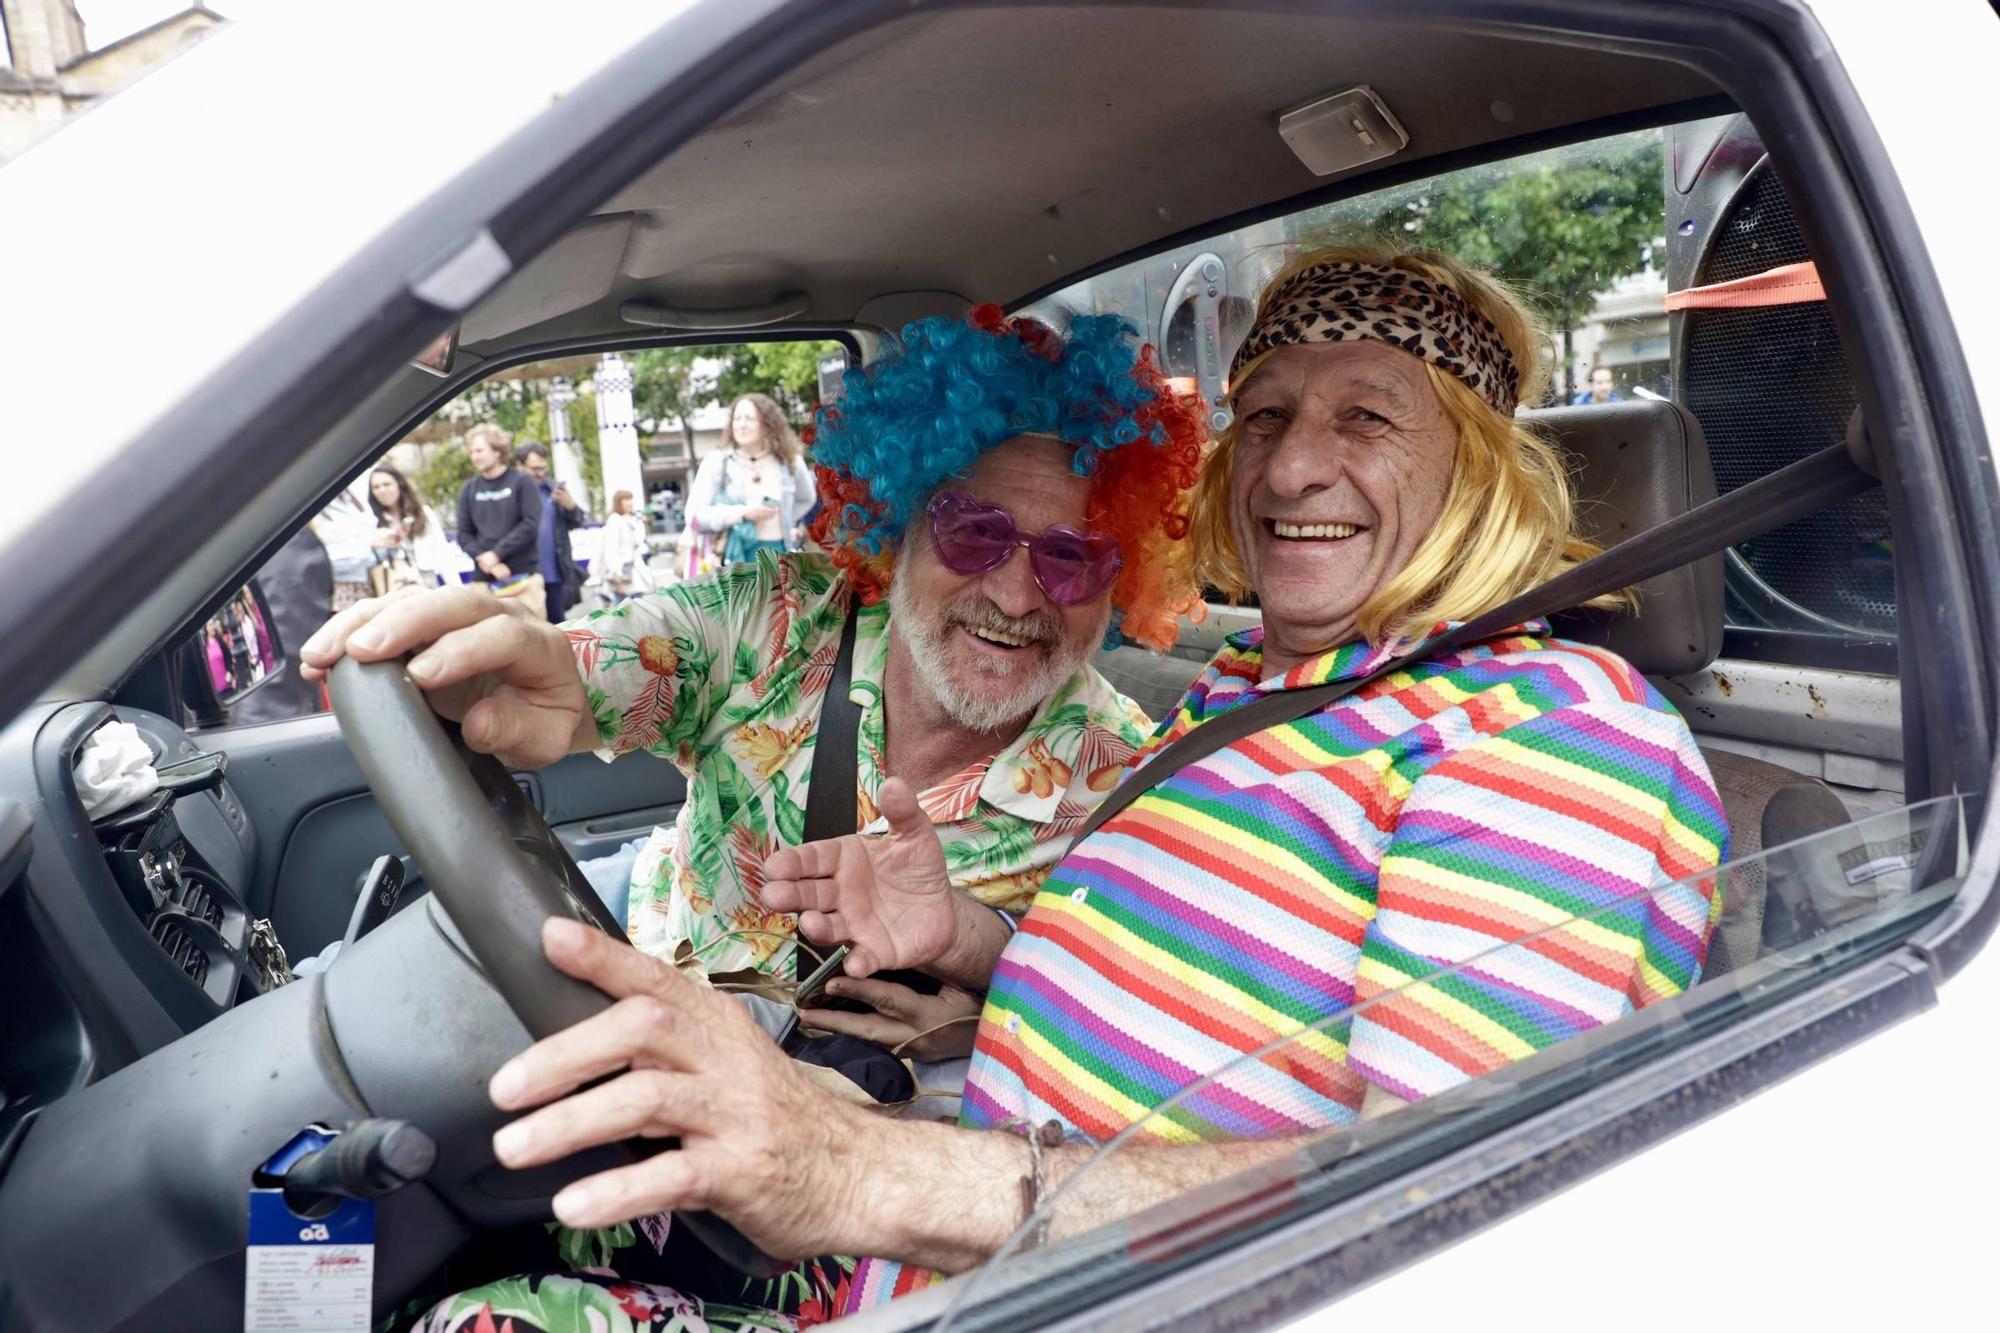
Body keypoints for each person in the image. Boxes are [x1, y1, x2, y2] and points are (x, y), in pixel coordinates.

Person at [338, 244, 1731, 1333]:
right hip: (892, 1230)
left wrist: (860, 1165)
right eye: (1269, 417)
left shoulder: (1550, 737)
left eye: (1370, 417)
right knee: (371, 1218)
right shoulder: (1248, 702)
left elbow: (1453, 1212)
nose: (1298, 462)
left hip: (961, 1237)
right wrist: (972, 951)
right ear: (899, 524)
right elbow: (610, 670)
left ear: (1480, 466)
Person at [303, 304, 1207, 1327]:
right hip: (624, 1042)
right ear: (902, 515)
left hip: (819, 1191)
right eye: (974, 530)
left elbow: (1111, 1026)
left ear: (1115, 579)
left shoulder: (1127, 778)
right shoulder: (783, 616)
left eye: (1070, 559)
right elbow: (612, 659)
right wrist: (547, 667)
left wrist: (970, 967)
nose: (1014, 591)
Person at [684, 392, 818, 568]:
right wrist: (742, 514)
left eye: (749, 418)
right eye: (737, 418)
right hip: (731, 559)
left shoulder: (789, 462)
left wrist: (783, 518)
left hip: (779, 556)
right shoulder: (717, 462)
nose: (741, 425)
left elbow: (807, 499)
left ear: (767, 424)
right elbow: (694, 515)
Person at [455, 423, 546, 619]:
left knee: (533, 640)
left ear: (497, 451)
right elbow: (463, 534)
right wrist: (487, 561)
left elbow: (530, 523)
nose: (474, 456)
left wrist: (497, 554)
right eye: (471, 452)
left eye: (479, 450)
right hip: (484, 582)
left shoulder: (522, 482)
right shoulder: (469, 489)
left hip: (523, 578)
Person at [514, 441, 589, 620]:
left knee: (558, 631)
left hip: (554, 575)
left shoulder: (553, 490)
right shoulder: (510, 493)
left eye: (543, 468)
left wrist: (570, 506)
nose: (540, 473)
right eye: (535, 468)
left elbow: (577, 522)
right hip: (523, 577)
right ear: (520, 465)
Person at [367, 463, 454, 588]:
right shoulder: (372, 521)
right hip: (394, 584)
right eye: (376, 487)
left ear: (399, 484)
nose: (382, 490)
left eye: (386, 484)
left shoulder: (422, 513)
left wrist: (457, 587)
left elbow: (442, 552)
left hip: (427, 581)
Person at [595, 488, 655, 604]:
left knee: (633, 607)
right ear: (619, 502)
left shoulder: (630, 519)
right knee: (626, 608)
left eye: (630, 499)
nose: (630, 503)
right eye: (626, 499)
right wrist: (617, 576)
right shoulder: (615, 521)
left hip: (634, 571)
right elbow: (611, 550)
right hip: (624, 574)